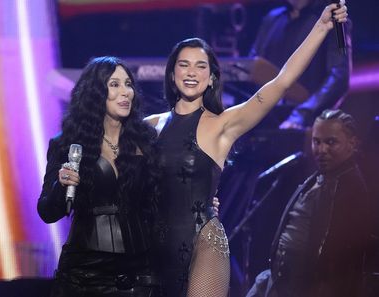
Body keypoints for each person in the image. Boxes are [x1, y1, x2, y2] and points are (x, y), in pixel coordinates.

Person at [145, 3, 348, 297]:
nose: (191, 72)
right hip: (155, 244)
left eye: (200, 65)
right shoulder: (149, 127)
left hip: (204, 244)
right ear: (172, 74)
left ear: (212, 77)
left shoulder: (224, 125)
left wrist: (321, 26)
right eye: (184, 65)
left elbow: (282, 82)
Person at [37, 56, 162, 297]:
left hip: (139, 272)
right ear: (96, 91)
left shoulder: (145, 141)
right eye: (114, 84)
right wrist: (60, 185)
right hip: (86, 273)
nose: (125, 92)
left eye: (128, 84)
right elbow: (47, 212)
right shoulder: (66, 143)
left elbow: (161, 200)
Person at [245, 109, 372, 297]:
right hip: (281, 281)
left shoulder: (351, 189)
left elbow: (343, 262)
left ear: (352, 144)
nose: (321, 150)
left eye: (331, 142)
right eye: (316, 141)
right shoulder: (319, 178)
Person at [247, 0, 351, 129]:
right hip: (264, 119)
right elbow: (252, 67)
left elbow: (339, 77)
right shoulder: (273, 18)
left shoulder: (332, 20)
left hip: (305, 124)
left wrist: (302, 115)